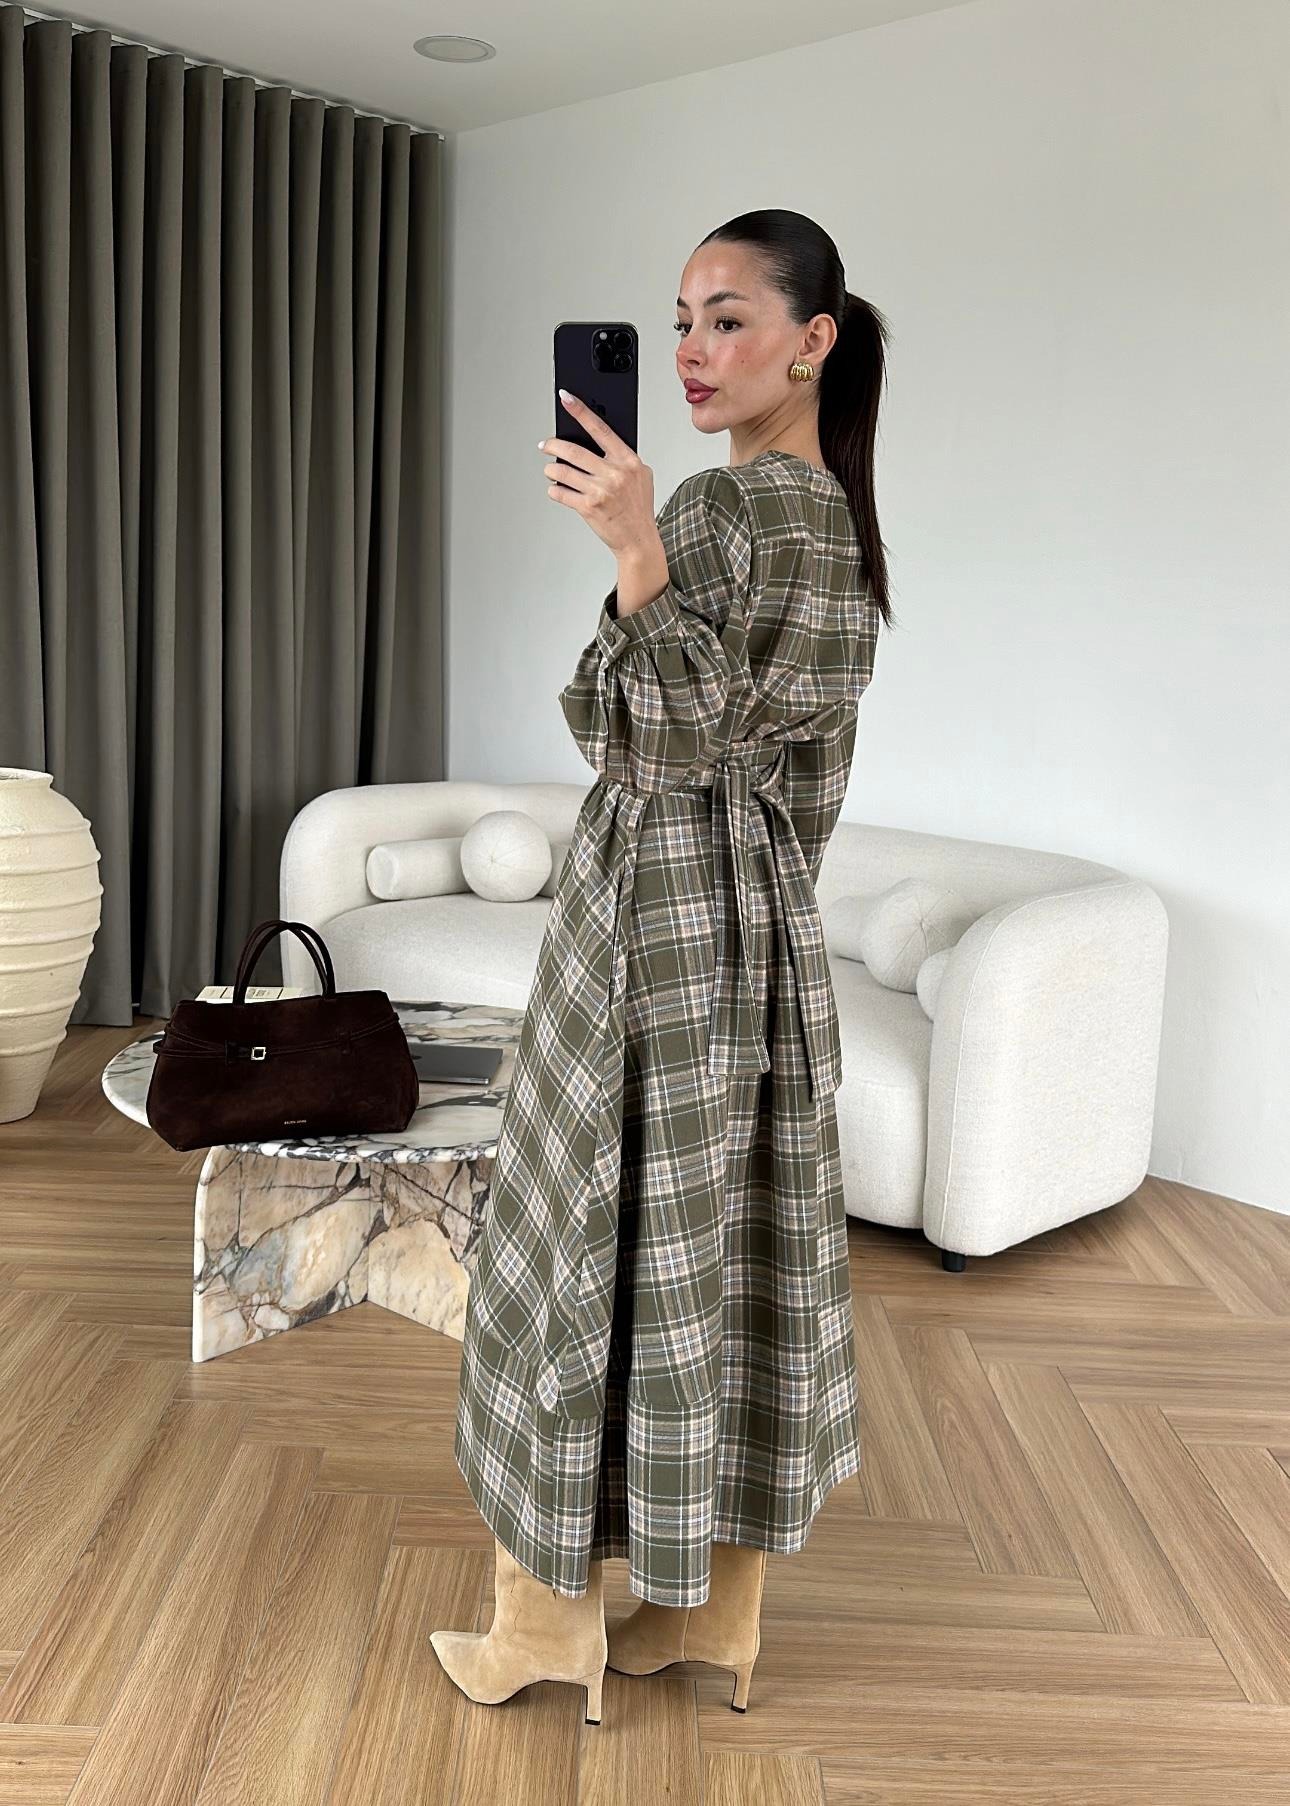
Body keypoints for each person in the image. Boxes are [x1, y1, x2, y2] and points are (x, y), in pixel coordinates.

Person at [430, 208, 892, 1727]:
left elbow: (653, 736)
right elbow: (737, 756)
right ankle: (703, 1618)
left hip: (653, 926)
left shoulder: (719, 509)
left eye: (727, 319)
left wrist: (635, 546)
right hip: (755, 944)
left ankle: (546, 1624)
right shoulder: (835, 524)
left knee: (571, 1242)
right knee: (713, 1258)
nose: (691, 351)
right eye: (679, 319)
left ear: (813, 340)